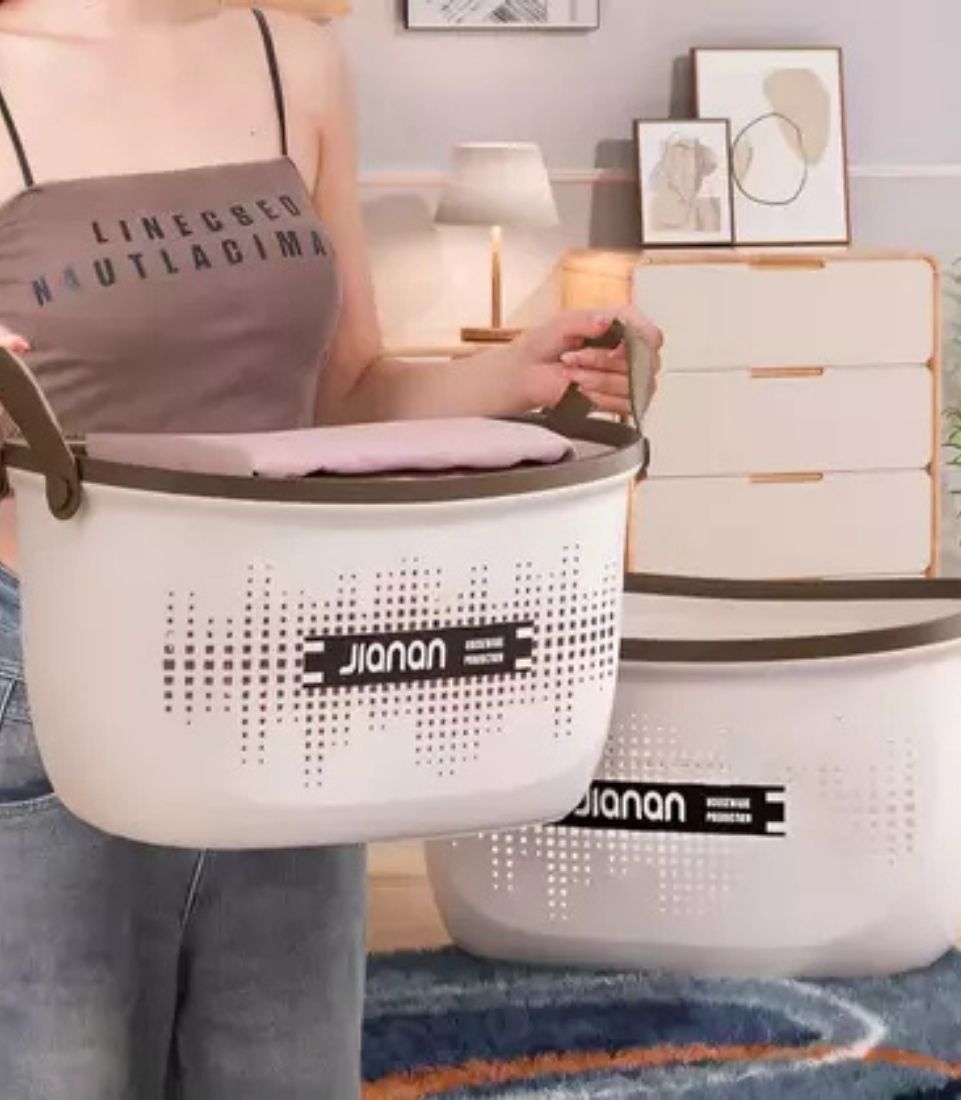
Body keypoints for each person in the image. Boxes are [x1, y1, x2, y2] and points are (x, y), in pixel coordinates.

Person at [0, 1, 662, 1097]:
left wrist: (518, 376)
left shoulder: (292, 60)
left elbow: (350, 390)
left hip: (285, 672)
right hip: (52, 682)